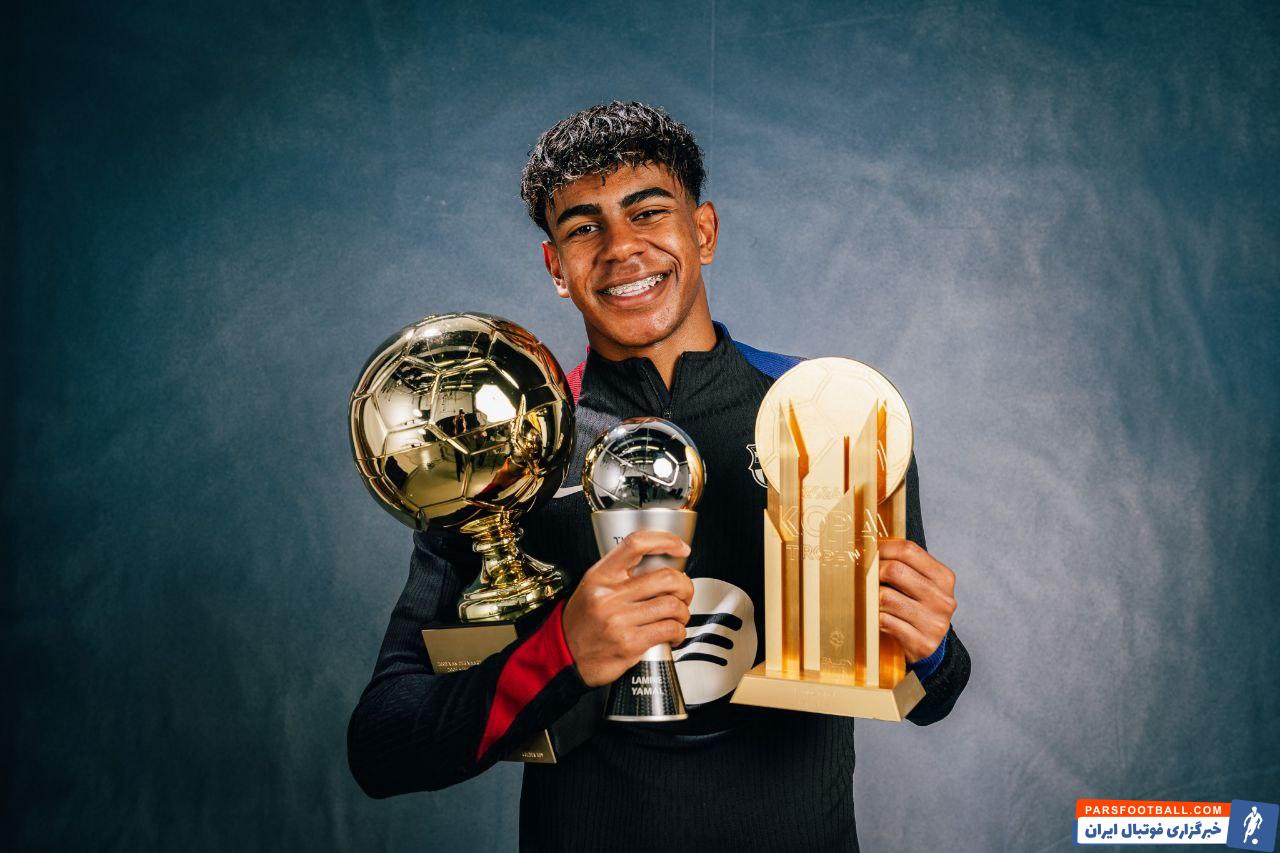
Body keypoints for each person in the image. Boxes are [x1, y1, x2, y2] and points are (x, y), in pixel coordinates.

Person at [348, 101, 971, 851]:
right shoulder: (503, 454)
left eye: (647, 212)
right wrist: (561, 652)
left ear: (702, 232)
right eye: (584, 228)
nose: (621, 248)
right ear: (556, 267)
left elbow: (932, 693)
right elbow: (381, 746)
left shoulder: (828, 412)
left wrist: (931, 644)